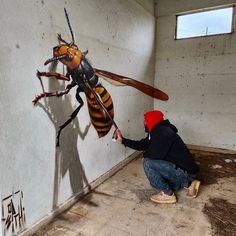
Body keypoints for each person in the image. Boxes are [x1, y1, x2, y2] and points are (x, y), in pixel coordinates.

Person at [114, 110, 200, 204]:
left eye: (145, 120)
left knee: (148, 163)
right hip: (181, 170)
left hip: (186, 171)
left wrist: (145, 156)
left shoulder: (163, 132)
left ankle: (169, 194)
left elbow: (155, 155)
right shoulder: (155, 132)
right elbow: (142, 144)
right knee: (155, 183)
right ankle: (190, 183)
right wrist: (122, 140)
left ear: (152, 120)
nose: (144, 122)